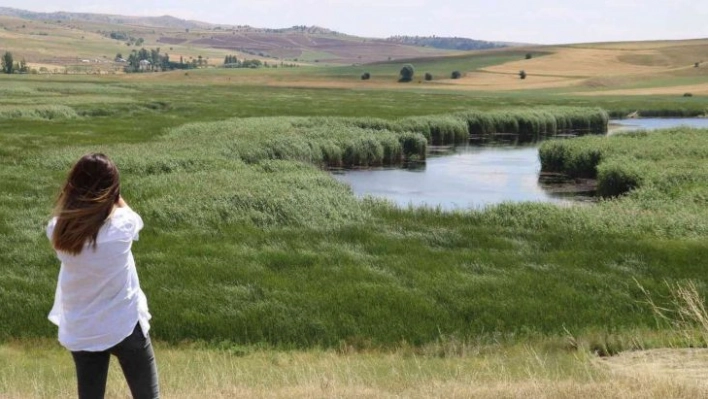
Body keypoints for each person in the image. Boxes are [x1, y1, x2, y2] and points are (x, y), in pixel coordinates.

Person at [46, 153, 159, 399]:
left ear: (72, 188)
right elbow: (129, 214)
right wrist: (115, 195)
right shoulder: (122, 227)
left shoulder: (57, 230)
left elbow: (72, 216)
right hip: (124, 323)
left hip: (83, 327)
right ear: (113, 192)